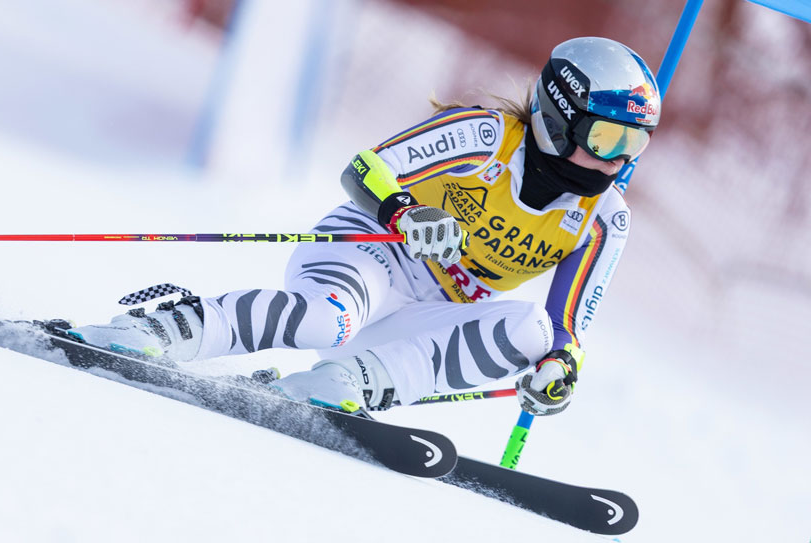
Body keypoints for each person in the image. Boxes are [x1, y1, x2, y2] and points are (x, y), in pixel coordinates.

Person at [68, 37, 661, 417]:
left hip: (427, 313)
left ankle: (343, 384)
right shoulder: (485, 136)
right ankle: (164, 329)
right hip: (372, 255)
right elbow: (364, 170)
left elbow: (565, 326)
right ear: (559, 119)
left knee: (531, 330)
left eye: (634, 145)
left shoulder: (605, 218)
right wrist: (407, 213)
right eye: (606, 138)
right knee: (327, 318)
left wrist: (560, 366)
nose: (617, 161)